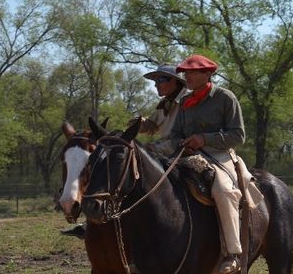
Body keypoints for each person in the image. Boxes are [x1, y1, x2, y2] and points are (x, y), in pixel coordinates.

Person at [61, 64, 187, 239]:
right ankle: (99, 221)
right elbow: (152, 126)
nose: (156, 84)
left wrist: (149, 146)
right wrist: (140, 123)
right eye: (155, 80)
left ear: (176, 81)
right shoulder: (164, 103)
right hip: (165, 151)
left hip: (182, 151)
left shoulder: (188, 101)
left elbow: (179, 136)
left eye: (161, 79)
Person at [170, 54, 246, 274]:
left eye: (193, 72)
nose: (187, 76)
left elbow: (238, 136)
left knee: (223, 190)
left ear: (208, 74)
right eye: (186, 72)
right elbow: (175, 134)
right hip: (187, 155)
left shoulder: (225, 98)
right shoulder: (184, 101)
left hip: (219, 155)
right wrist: (181, 144)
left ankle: (232, 254)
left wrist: (204, 139)